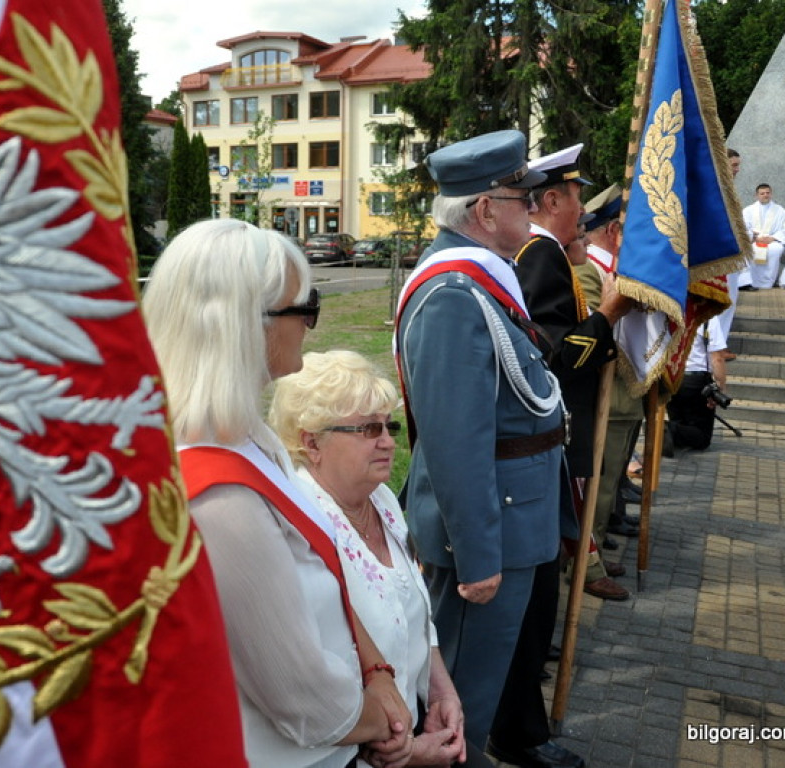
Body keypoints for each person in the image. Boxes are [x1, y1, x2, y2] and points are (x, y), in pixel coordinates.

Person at [143, 218, 412, 768]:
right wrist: (386, 725)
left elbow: (322, 574)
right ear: (250, 324)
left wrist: (376, 670)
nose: (311, 325)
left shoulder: (245, 437)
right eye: (306, 308)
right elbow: (300, 696)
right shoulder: (218, 497)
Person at [394, 130, 584, 768]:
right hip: (488, 533)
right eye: (520, 199)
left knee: (483, 682)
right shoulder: (454, 294)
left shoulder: (482, 281)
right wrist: (477, 558)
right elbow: (455, 440)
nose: (531, 210)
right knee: (461, 703)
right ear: (483, 209)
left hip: (513, 518)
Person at [270, 349, 494, 768]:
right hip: (345, 753)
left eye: (389, 426)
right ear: (312, 442)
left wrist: (440, 691)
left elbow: (414, 612)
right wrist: (407, 755)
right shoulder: (298, 529)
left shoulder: (382, 499)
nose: (389, 442)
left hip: (406, 725)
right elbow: (308, 690)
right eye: (368, 429)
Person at [515, 144, 634, 603]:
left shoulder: (543, 251)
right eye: (576, 197)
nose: (582, 210)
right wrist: (609, 314)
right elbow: (560, 354)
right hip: (556, 416)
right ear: (551, 201)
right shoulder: (541, 252)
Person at [576, 184, 644, 547]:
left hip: (624, 394)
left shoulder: (613, 269)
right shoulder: (589, 270)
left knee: (611, 481)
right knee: (599, 489)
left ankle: (598, 547)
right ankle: (590, 559)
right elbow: (595, 331)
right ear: (614, 230)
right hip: (610, 394)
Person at [666, 317, 730, 452]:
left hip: (671, 377)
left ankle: (668, 431)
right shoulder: (708, 316)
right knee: (703, 437)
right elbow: (717, 358)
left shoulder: (669, 312)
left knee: (679, 421)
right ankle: (665, 429)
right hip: (696, 380)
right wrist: (721, 387)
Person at [721, 148, 745, 355]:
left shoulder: (727, 187)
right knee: (724, 299)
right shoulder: (717, 188)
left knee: (731, 299)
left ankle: (720, 343)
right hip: (722, 254)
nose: (737, 169)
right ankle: (717, 345)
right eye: (734, 165)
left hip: (733, 251)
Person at [741, 183, 785, 290]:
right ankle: (748, 282)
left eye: (767, 193)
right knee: (748, 250)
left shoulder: (780, 211)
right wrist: (754, 237)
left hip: (773, 241)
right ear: (756, 195)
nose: (765, 195)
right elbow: (743, 227)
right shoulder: (748, 210)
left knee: (775, 250)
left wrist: (773, 238)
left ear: (771, 194)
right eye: (762, 193)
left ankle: (768, 282)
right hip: (753, 240)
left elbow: (783, 229)